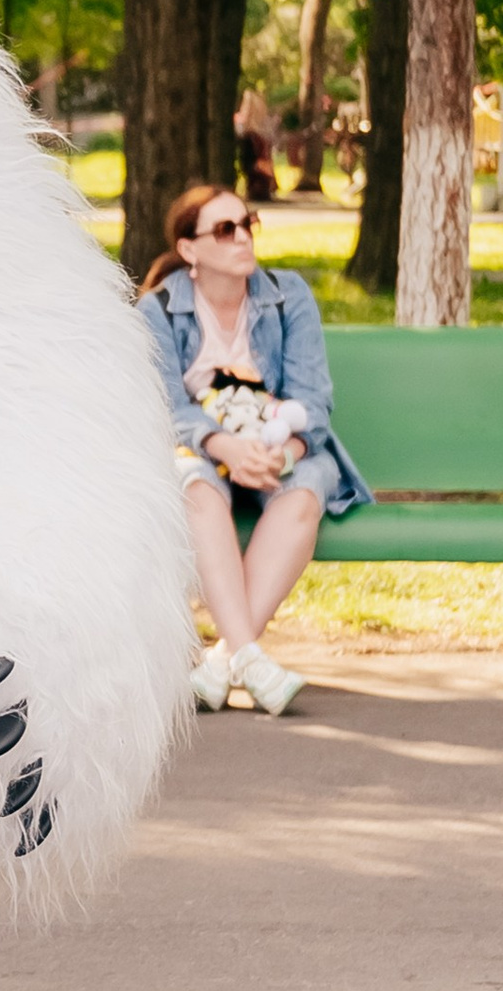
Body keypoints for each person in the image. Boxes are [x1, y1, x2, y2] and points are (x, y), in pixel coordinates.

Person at [139, 183, 371, 716]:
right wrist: (223, 445)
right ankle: (251, 656)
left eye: (248, 224)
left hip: (274, 450)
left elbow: (311, 398)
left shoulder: (288, 295)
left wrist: (283, 452)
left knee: (309, 486)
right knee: (193, 483)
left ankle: (223, 660)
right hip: (200, 446)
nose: (243, 237)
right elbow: (168, 406)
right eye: (225, 229)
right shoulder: (158, 310)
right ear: (190, 249)